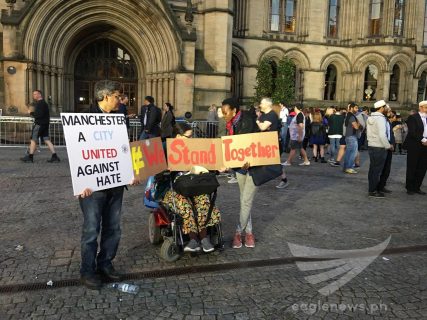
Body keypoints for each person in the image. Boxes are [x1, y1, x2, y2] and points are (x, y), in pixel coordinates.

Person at [78, 80, 138, 290]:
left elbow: (122, 149)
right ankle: (88, 270)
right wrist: (82, 182)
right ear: (105, 96)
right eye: (116, 96)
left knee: (113, 228)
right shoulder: (84, 119)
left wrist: (130, 173)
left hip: (115, 184)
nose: (120, 100)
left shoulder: (119, 118)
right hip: (92, 188)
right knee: (91, 230)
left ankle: (105, 264)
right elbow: (79, 154)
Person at [163, 122, 221, 253]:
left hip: (195, 184)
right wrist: (165, 169)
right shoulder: (166, 149)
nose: (191, 139)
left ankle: (204, 238)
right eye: (188, 137)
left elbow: (208, 161)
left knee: (204, 201)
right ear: (178, 136)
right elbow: (156, 169)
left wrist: (218, 166)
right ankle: (193, 239)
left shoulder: (195, 148)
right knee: (186, 205)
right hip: (176, 187)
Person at [221, 98, 258, 248]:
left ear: (234, 111)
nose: (223, 115)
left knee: (246, 200)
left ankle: (238, 232)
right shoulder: (230, 124)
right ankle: (249, 232)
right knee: (244, 199)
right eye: (222, 112)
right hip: (239, 166)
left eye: (225, 112)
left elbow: (248, 143)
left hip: (254, 167)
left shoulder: (247, 120)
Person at [256, 98, 289, 189]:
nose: (260, 105)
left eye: (262, 103)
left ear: (267, 104)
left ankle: (284, 180)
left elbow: (262, 127)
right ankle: (257, 178)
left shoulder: (272, 115)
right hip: (264, 142)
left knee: (275, 162)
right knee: (260, 161)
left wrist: (258, 122)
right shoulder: (263, 115)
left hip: (273, 144)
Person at [20, 90, 60, 163]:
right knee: (46, 140)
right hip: (45, 124)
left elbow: (39, 115)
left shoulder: (40, 103)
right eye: (33, 94)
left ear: (39, 95)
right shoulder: (44, 103)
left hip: (39, 124)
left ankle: (30, 157)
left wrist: (31, 113)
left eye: (35, 94)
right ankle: (55, 156)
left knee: (33, 139)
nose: (34, 96)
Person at [366, 100, 393, 198]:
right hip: (380, 147)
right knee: (377, 170)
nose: (386, 108)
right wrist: (388, 146)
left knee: (373, 169)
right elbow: (382, 135)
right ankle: (373, 191)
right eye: (385, 107)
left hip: (372, 145)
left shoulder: (371, 117)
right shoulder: (381, 119)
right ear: (381, 108)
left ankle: (372, 188)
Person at [404, 100, 427, 195]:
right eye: (426, 107)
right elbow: (412, 132)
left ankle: (417, 187)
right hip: (415, 145)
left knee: (422, 167)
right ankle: (409, 187)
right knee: (412, 166)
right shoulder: (412, 117)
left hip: (426, 146)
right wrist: (423, 140)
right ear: (420, 107)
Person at [343, 102, 362, 174]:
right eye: (356, 108)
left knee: (348, 152)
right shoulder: (352, 116)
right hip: (351, 136)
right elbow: (356, 127)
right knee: (353, 153)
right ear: (351, 108)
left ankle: (346, 167)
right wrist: (359, 124)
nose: (357, 109)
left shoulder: (348, 115)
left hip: (348, 136)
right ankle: (349, 167)